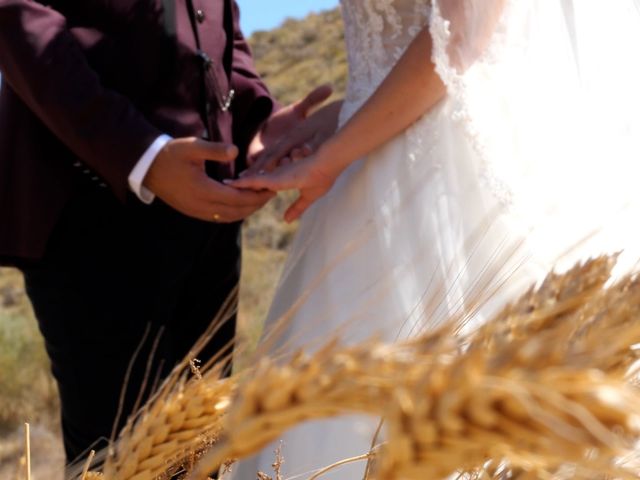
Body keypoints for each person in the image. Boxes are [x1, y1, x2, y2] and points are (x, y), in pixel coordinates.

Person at [227, 0, 640, 478]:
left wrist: (331, 157)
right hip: (372, 166)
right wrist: (348, 113)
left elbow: (462, 30)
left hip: (453, 176)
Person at [0, 0, 333, 467]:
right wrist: (143, 155)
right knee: (117, 458)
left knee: (201, 454)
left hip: (210, 216)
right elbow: (17, 17)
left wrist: (256, 116)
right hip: (89, 212)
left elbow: (221, 31)